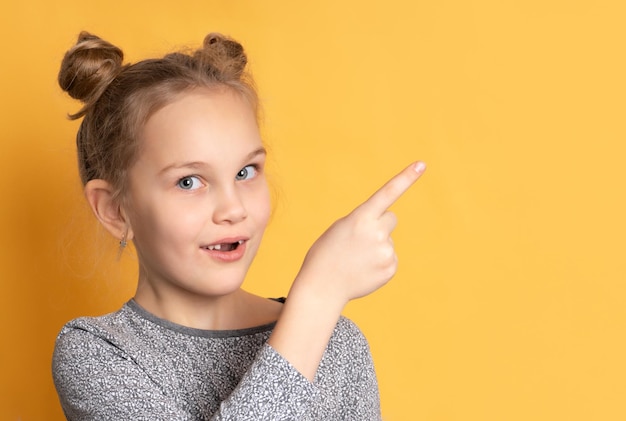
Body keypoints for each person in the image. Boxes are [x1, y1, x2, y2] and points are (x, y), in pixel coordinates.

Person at [52, 31, 426, 420]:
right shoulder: (98, 353)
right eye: (189, 181)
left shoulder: (337, 343)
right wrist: (317, 297)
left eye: (246, 171)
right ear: (115, 211)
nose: (233, 208)